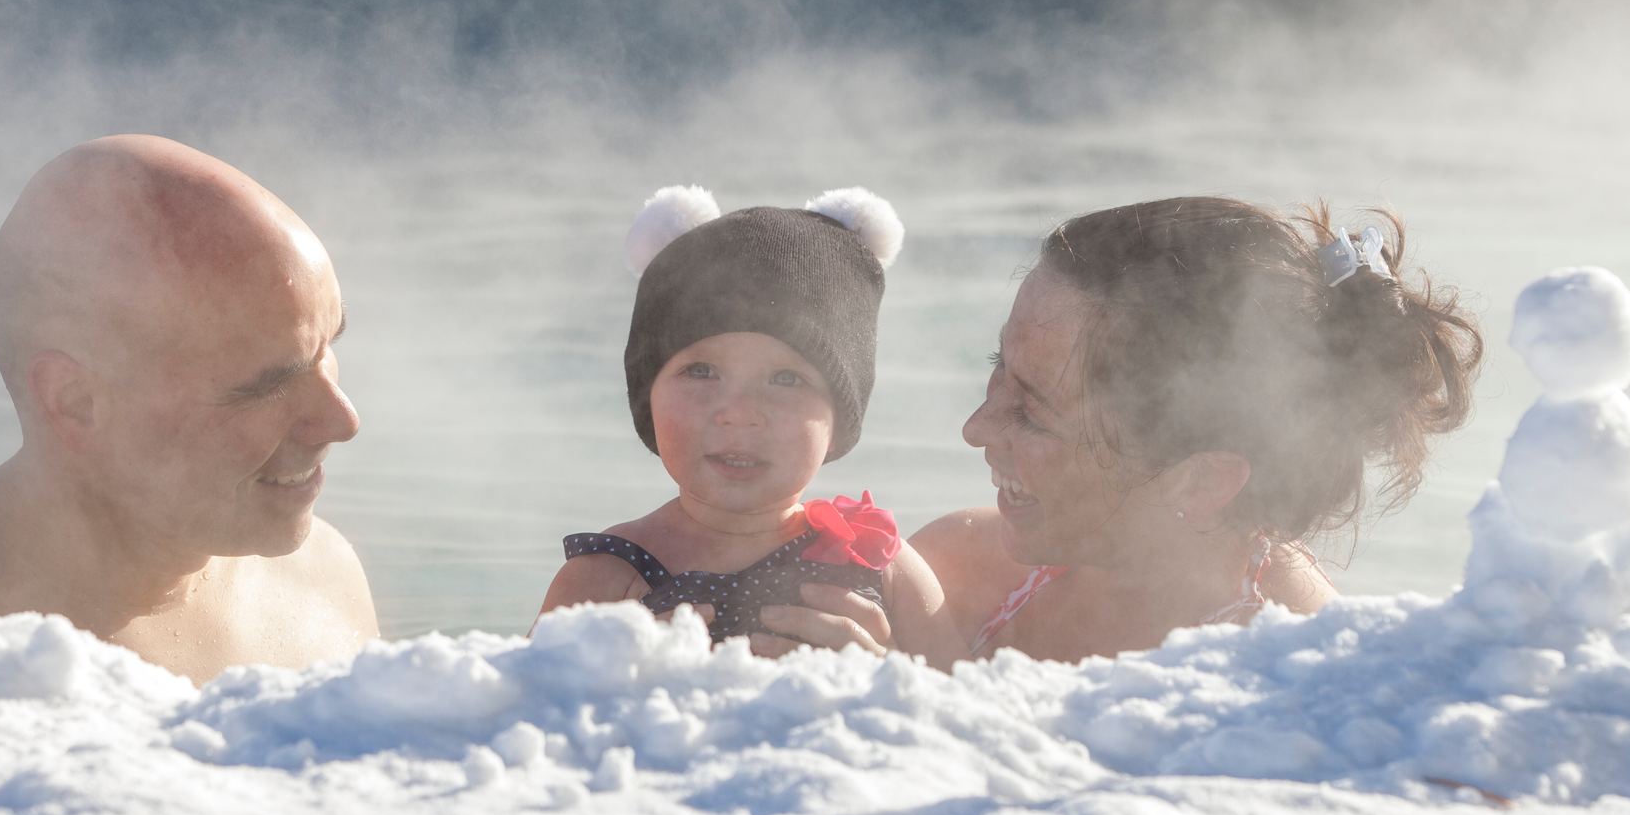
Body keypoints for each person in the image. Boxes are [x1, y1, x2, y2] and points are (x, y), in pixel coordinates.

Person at [0, 135, 379, 682]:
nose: (342, 420)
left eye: (326, 348)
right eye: (267, 385)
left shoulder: (324, 581)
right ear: (76, 403)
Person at [913, 197, 1482, 663]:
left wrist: (929, 652)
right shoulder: (956, 569)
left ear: (1200, 482)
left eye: (1033, 413)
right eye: (998, 366)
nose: (975, 428)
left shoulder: (1292, 681)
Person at [539, 185, 961, 664]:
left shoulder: (882, 567)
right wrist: (606, 674)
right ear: (646, 397)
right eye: (701, 371)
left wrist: (891, 670)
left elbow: (974, 711)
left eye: (786, 378)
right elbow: (512, 713)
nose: (739, 411)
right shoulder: (602, 579)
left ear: (839, 417)